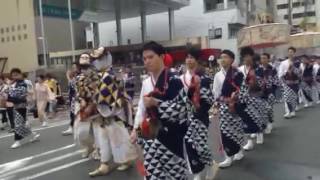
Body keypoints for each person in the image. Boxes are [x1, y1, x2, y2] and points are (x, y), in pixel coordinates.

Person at [131, 41, 195, 179]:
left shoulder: (174, 80)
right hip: (149, 135)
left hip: (171, 137)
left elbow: (183, 110)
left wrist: (156, 103)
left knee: (175, 175)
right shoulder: (146, 82)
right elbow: (142, 110)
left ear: (161, 57)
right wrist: (136, 131)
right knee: (152, 174)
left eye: (151, 57)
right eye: (144, 58)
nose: (147, 61)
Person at [180, 47, 218, 179]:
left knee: (200, 145)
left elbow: (209, 99)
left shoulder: (204, 78)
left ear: (197, 60)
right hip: (185, 116)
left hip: (200, 115)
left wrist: (197, 109)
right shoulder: (181, 78)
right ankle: (198, 171)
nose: (188, 60)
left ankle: (210, 164)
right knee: (189, 144)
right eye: (187, 57)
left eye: (191, 57)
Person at [212, 50, 246, 168]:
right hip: (223, 107)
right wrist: (215, 109)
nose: (223, 59)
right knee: (225, 132)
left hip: (236, 107)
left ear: (232, 59)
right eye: (221, 57)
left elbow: (243, 90)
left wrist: (235, 99)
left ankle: (239, 150)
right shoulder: (217, 75)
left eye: (225, 57)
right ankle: (228, 156)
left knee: (237, 129)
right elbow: (215, 93)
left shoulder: (238, 73)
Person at [238, 47, 268, 148]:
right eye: (244, 56)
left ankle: (259, 133)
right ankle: (249, 141)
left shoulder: (258, 69)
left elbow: (262, 83)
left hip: (256, 96)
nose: (246, 58)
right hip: (243, 98)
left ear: (252, 56)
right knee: (245, 119)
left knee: (257, 116)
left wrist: (253, 83)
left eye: (248, 56)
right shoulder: (240, 69)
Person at [5, 68, 40, 149]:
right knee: (22, 124)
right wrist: (9, 92)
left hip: (22, 106)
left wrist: (10, 95)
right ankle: (34, 134)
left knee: (17, 124)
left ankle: (17, 141)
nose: (14, 77)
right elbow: (10, 94)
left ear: (20, 74)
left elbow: (18, 95)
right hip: (16, 105)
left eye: (16, 75)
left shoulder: (24, 83)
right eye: (13, 76)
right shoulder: (14, 83)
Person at [256, 53, 281, 134]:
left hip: (270, 92)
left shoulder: (273, 69)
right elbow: (255, 82)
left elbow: (276, 81)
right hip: (260, 93)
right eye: (261, 58)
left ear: (268, 59)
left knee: (269, 108)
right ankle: (264, 124)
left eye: (265, 58)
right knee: (261, 110)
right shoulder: (257, 70)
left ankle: (270, 123)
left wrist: (272, 91)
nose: (263, 60)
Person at [278, 47, 300, 118]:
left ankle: (292, 111)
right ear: (287, 53)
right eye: (289, 51)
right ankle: (288, 112)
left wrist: (293, 67)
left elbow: (299, 73)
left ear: (294, 53)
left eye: (292, 52)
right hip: (286, 83)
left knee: (293, 97)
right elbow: (280, 73)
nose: (290, 53)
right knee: (287, 97)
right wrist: (286, 72)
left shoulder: (297, 62)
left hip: (295, 83)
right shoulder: (283, 63)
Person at [62, 63, 79, 135]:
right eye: (72, 68)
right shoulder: (73, 78)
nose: (73, 69)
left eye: (75, 67)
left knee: (74, 113)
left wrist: (68, 78)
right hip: (72, 98)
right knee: (73, 114)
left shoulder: (78, 77)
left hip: (76, 98)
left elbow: (75, 87)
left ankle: (72, 128)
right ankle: (72, 128)